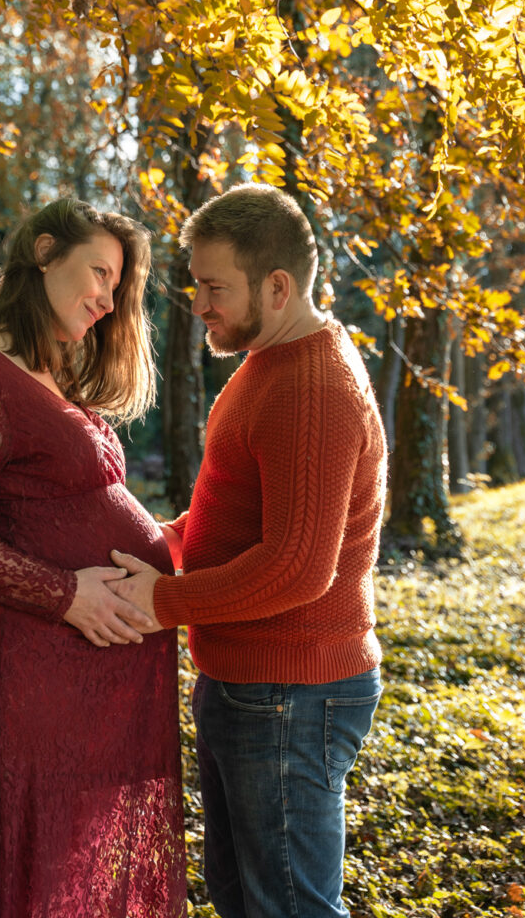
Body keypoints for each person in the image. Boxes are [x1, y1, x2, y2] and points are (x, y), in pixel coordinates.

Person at [0, 197, 186, 918]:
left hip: (64, 685)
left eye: (118, 286)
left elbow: (55, 507)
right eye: (98, 271)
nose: (107, 297)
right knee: (13, 889)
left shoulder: (48, 372)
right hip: (8, 675)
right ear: (44, 252)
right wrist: (66, 594)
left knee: (55, 890)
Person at [109, 183, 387, 918]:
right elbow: (235, 512)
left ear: (277, 285)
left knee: (288, 909)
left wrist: (164, 602)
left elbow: (297, 565)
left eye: (213, 287)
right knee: (246, 902)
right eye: (196, 284)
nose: (198, 303)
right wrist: (159, 546)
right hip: (251, 685)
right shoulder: (269, 363)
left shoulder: (313, 387)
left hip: (290, 694)